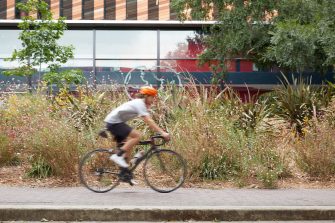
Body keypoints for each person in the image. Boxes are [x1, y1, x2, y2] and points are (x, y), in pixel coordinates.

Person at [104, 86, 170, 169]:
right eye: (152, 97)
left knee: (129, 143)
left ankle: (126, 174)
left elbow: (148, 118)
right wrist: (162, 132)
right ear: (147, 96)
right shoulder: (139, 103)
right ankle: (118, 155)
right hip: (114, 122)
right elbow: (148, 120)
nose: (153, 100)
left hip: (115, 122)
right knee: (137, 135)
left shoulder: (140, 103)